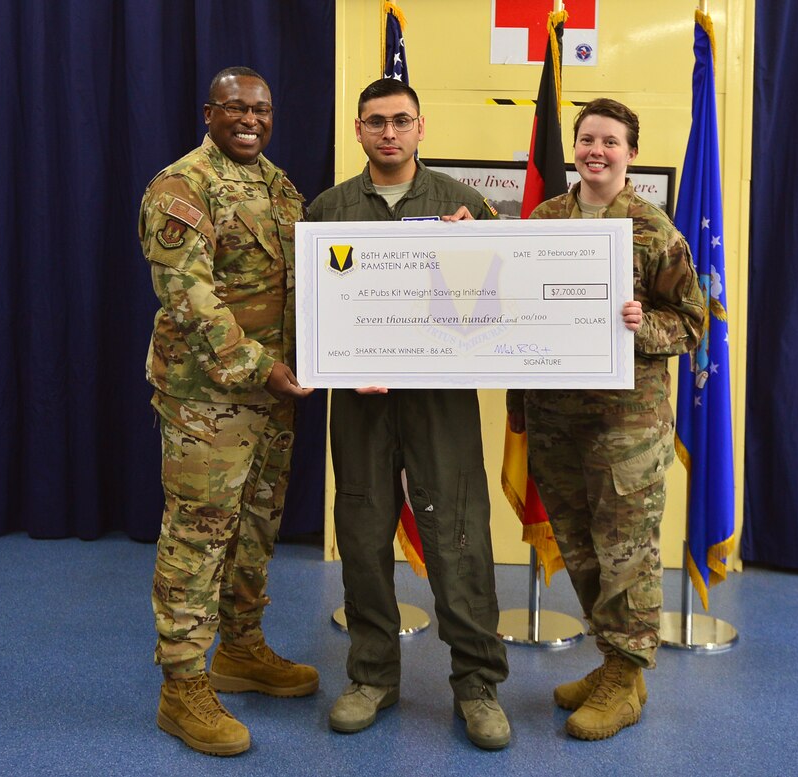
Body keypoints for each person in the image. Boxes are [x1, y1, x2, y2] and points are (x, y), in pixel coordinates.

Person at [306, 78, 511, 751]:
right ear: (358, 130)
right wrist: (329, 360)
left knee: (457, 533)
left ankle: (477, 682)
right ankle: (371, 676)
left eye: (400, 121)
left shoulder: (463, 203)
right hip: (360, 404)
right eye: (375, 122)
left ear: (422, 127)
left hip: (440, 401)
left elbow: (507, 299)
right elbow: (308, 309)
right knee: (362, 531)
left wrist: (481, 245)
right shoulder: (329, 210)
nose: (388, 133)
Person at [507, 98, 705, 741]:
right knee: (582, 548)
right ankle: (615, 661)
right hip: (556, 416)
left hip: (626, 423)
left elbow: (694, 323)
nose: (596, 150)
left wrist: (641, 324)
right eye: (587, 139)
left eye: (610, 141)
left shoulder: (653, 229)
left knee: (627, 554)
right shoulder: (545, 219)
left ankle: (624, 678)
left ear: (631, 154)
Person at [140, 66, 317, 757]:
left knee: (256, 528)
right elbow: (189, 298)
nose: (250, 118)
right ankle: (182, 686)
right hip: (208, 399)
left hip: (273, 397)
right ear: (208, 112)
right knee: (197, 537)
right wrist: (261, 368)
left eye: (262, 109)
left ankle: (240, 650)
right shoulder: (181, 186)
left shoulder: (280, 187)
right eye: (236, 107)